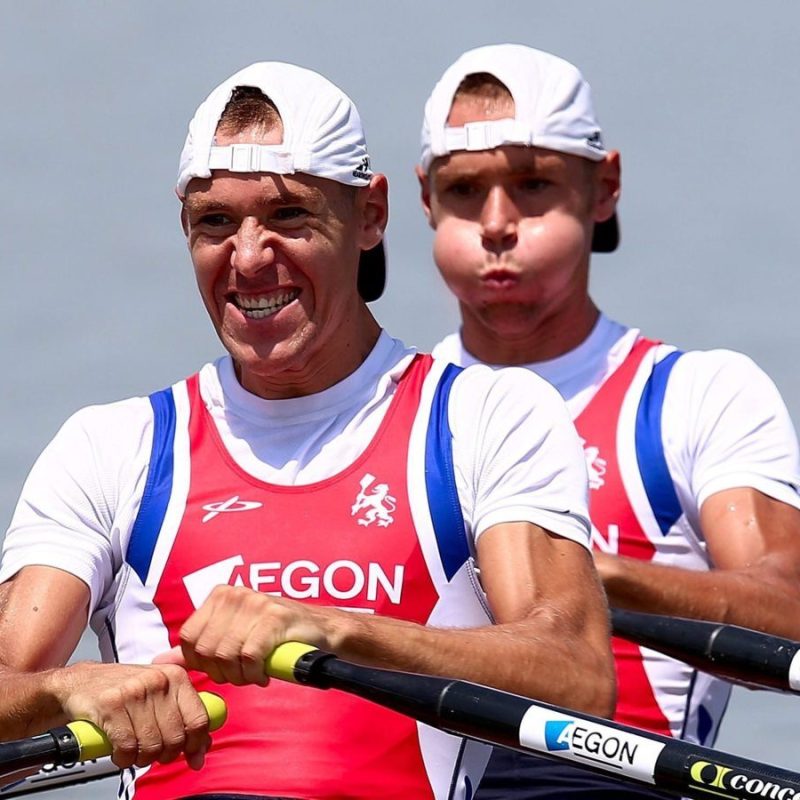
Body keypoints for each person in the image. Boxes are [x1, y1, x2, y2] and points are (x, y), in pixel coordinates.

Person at [0, 61, 614, 800]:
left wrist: (336, 630)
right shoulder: (110, 446)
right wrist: (63, 690)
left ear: (371, 215)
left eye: (289, 215)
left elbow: (577, 674)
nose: (249, 257)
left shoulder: (484, 417)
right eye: (215, 223)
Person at [416, 43, 800, 799]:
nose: (497, 223)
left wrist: (575, 576)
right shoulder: (390, 409)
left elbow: (789, 608)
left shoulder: (697, 395)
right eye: (464, 191)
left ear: (605, 187)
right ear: (424, 201)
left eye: (533, 185)